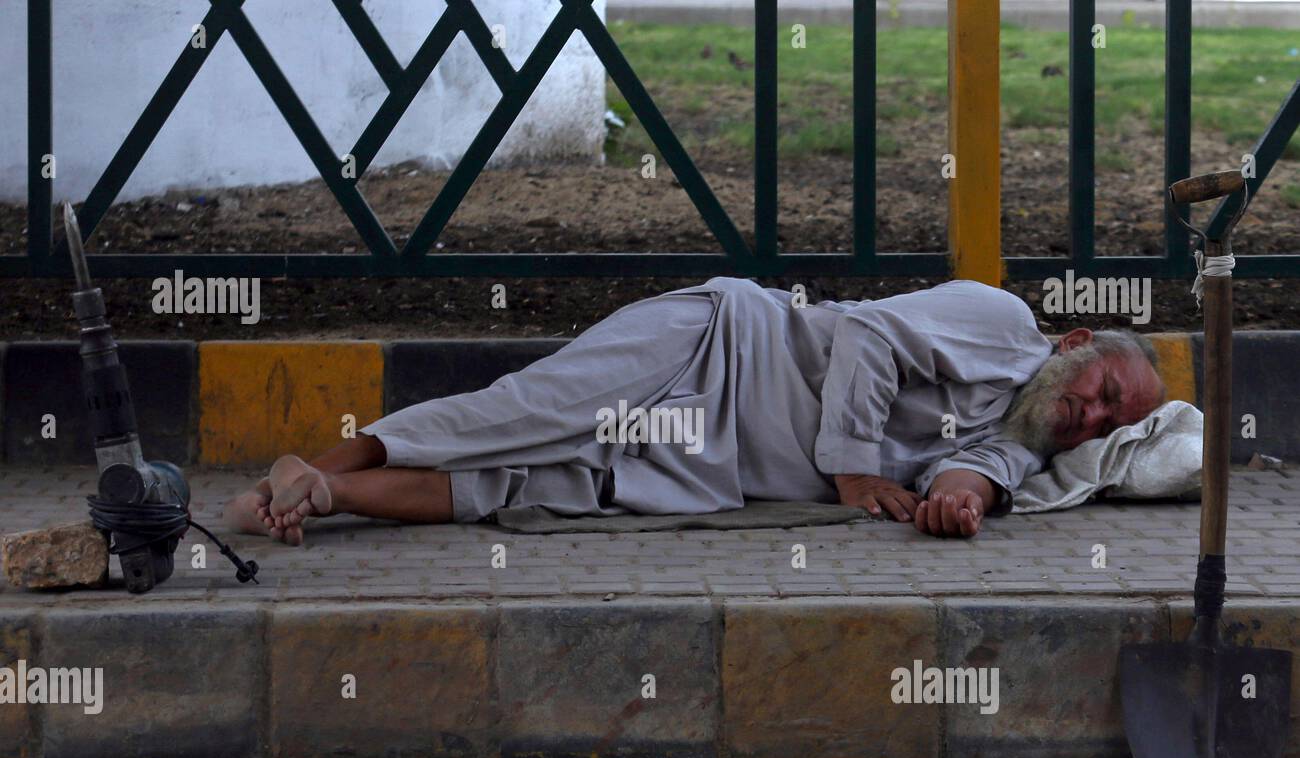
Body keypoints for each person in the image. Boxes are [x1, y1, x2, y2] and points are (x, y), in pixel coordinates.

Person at [225, 277, 1165, 543]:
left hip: (708, 465)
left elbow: (975, 475)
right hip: (722, 347)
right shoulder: (1002, 321)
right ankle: (325, 458)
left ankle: (321, 497)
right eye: (1105, 396)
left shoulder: (1029, 443)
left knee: (527, 486)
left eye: (1110, 429)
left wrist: (957, 501)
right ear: (1079, 342)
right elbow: (872, 336)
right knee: (522, 412)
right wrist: (854, 471)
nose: (1092, 420)